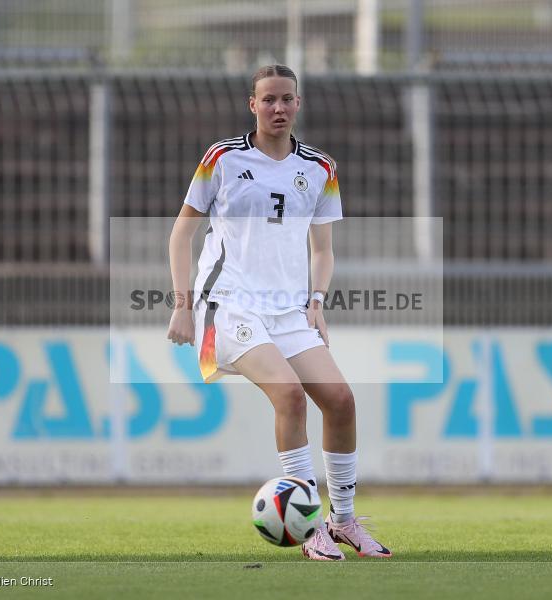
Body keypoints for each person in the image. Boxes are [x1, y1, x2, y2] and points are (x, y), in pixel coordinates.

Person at [166, 65, 392, 561]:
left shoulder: (320, 168)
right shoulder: (222, 158)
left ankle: (343, 520)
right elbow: (181, 233)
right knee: (289, 394)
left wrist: (317, 303)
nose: (278, 108)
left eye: (286, 98)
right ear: (253, 104)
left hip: (288, 310)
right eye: (268, 99)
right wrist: (182, 305)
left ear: (298, 103)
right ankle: (308, 527)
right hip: (228, 305)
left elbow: (323, 250)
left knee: (341, 401)